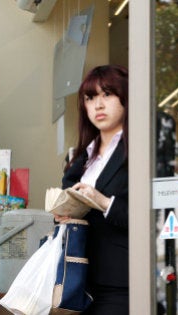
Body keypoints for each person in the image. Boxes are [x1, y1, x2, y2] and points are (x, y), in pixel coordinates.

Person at [56, 64, 130, 314]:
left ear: (125, 98)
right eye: (90, 98)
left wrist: (103, 201)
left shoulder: (138, 152)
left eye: (107, 94)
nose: (98, 105)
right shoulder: (83, 156)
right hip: (77, 276)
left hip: (120, 281)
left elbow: (151, 218)